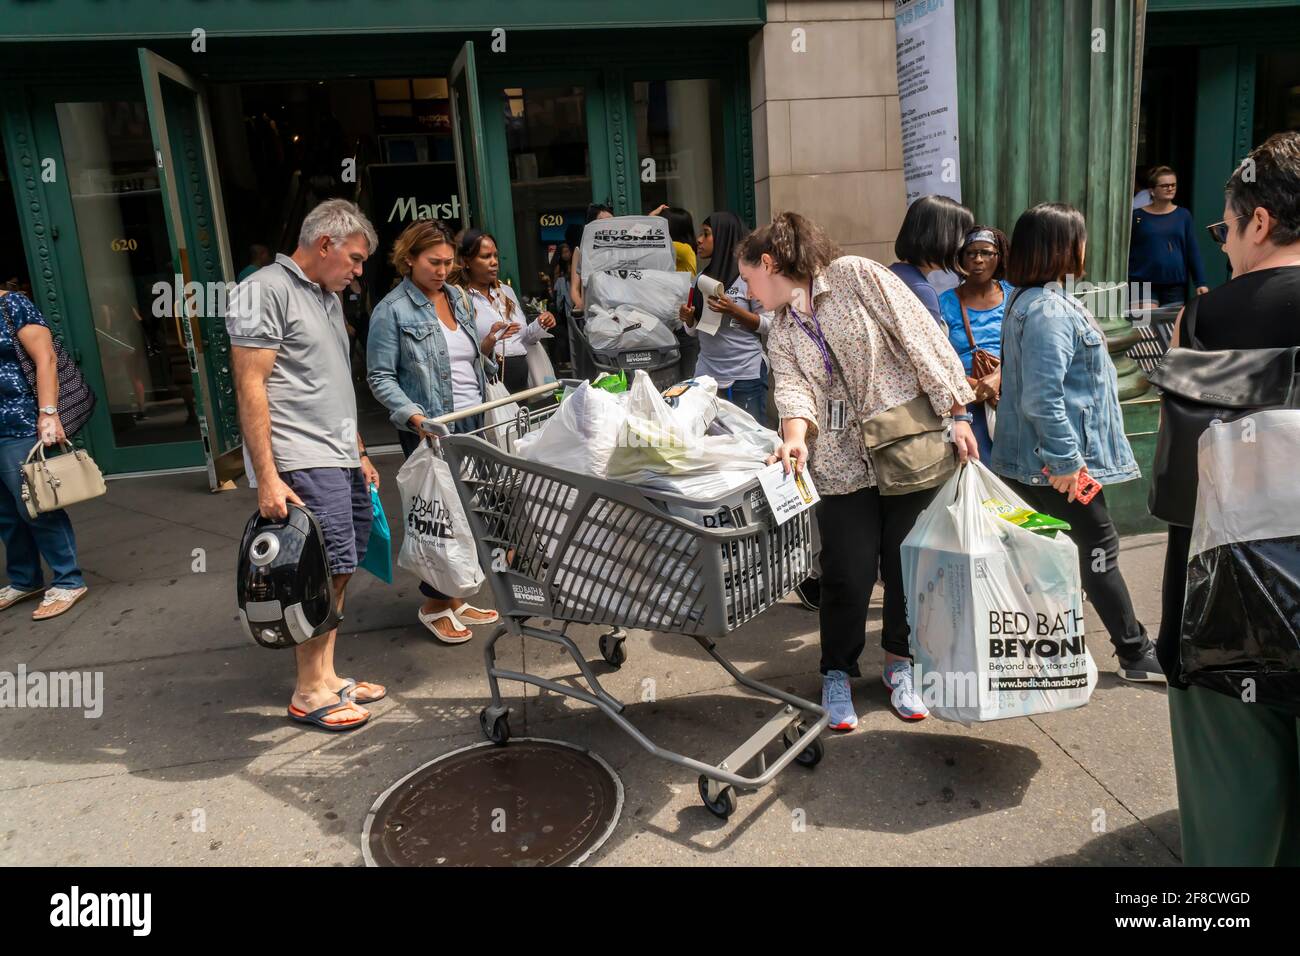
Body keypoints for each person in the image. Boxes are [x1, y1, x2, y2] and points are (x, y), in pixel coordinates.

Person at [743, 212, 979, 728]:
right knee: (845, 574)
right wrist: (795, 441)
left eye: (749, 278)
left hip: (907, 446)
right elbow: (794, 391)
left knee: (905, 568)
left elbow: (920, 336)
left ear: (768, 263)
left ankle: (901, 663)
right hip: (839, 465)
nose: (747, 290)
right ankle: (837, 672)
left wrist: (958, 412)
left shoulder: (854, 274)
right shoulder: (782, 330)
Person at [1159, 132, 1300, 865]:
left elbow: (1184, 489)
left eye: (1224, 229)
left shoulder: (1209, 320)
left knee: (1234, 828)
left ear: (1260, 222)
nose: (1223, 247)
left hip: (1233, 614)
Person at [228, 199, 386, 732]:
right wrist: (267, 476)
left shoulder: (323, 295)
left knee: (340, 565)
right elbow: (251, 386)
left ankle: (329, 674)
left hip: (339, 455)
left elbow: (332, 384)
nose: (359, 270)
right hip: (301, 459)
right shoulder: (264, 289)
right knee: (312, 572)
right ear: (325, 245)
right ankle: (308, 690)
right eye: (357, 259)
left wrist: (359, 450)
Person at [992, 202, 1163, 683]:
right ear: (1062, 247)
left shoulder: (1034, 300)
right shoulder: (1046, 308)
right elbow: (1043, 400)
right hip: (1057, 467)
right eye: (1079, 237)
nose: (1086, 246)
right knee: (1098, 550)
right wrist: (1067, 463)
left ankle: (1049, 649)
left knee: (1055, 552)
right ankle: (1134, 652)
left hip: (1039, 464)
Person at [367, 219, 504, 645]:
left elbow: (467, 358)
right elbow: (379, 375)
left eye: (448, 262)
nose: (443, 270)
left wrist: (490, 365)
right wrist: (414, 417)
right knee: (440, 515)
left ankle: (455, 596)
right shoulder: (392, 310)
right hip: (430, 427)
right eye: (433, 262)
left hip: (474, 418)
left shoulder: (457, 298)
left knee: (470, 510)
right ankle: (433, 604)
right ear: (409, 259)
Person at [0, 289, 89, 620]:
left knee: (36, 506)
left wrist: (48, 413)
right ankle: (25, 580)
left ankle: (68, 580)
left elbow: (46, 358)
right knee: (6, 514)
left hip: (19, 423)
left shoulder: (11, 305)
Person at [678, 211, 770, 424]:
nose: (699, 240)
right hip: (706, 376)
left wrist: (734, 310)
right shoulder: (700, 279)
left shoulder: (750, 278)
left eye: (706, 234)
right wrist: (689, 318)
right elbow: (692, 331)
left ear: (724, 236)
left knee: (752, 440)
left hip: (745, 375)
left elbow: (770, 324)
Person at [937, 226, 1013, 462]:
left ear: (999, 257)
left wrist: (998, 377)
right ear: (960, 259)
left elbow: (1027, 347)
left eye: (986, 253)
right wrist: (971, 384)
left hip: (1009, 398)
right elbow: (937, 355)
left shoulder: (1014, 297)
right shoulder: (945, 302)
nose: (978, 259)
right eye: (970, 253)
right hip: (965, 403)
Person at [456, 229, 556, 395]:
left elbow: (523, 338)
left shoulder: (505, 292)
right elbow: (462, 354)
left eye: (495, 256)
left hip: (521, 381)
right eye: (486, 256)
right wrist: (491, 339)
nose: (494, 262)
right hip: (489, 383)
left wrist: (541, 324)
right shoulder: (460, 298)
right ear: (467, 261)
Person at [1128, 165, 1209, 306]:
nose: (1170, 188)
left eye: (1173, 185)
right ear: (1152, 191)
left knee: (1170, 327)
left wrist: (1200, 282)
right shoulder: (1137, 217)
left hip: (1174, 284)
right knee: (1144, 326)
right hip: (1140, 283)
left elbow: (1192, 250)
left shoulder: (1183, 216)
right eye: (1165, 185)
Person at [889, 194, 974, 324]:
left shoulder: (889, 274)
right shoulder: (921, 290)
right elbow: (930, 344)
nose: (961, 244)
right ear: (939, 237)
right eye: (959, 236)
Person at [568, 202, 613, 314]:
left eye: (612, 220)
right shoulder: (581, 250)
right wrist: (582, 305)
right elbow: (574, 289)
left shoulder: (620, 248)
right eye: (604, 222)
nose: (610, 225)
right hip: (595, 311)